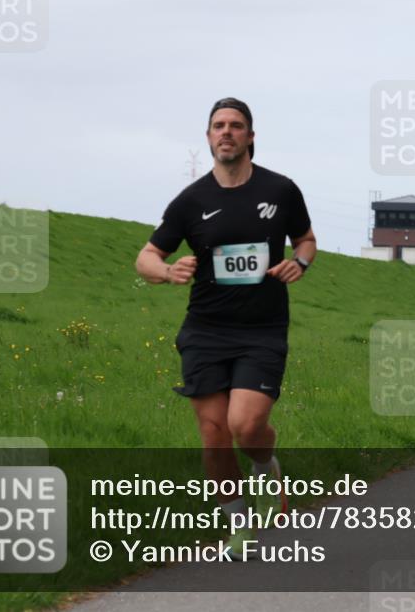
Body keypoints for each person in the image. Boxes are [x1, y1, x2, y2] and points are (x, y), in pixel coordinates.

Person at [135, 97, 317, 559]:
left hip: (262, 328)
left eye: (236, 125)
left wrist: (299, 263)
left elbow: (306, 240)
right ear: (209, 136)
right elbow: (146, 256)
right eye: (219, 126)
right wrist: (167, 271)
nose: (227, 132)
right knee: (214, 432)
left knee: (247, 425)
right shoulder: (191, 200)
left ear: (251, 136)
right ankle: (238, 524)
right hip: (205, 329)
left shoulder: (281, 190)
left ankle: (266, 463)